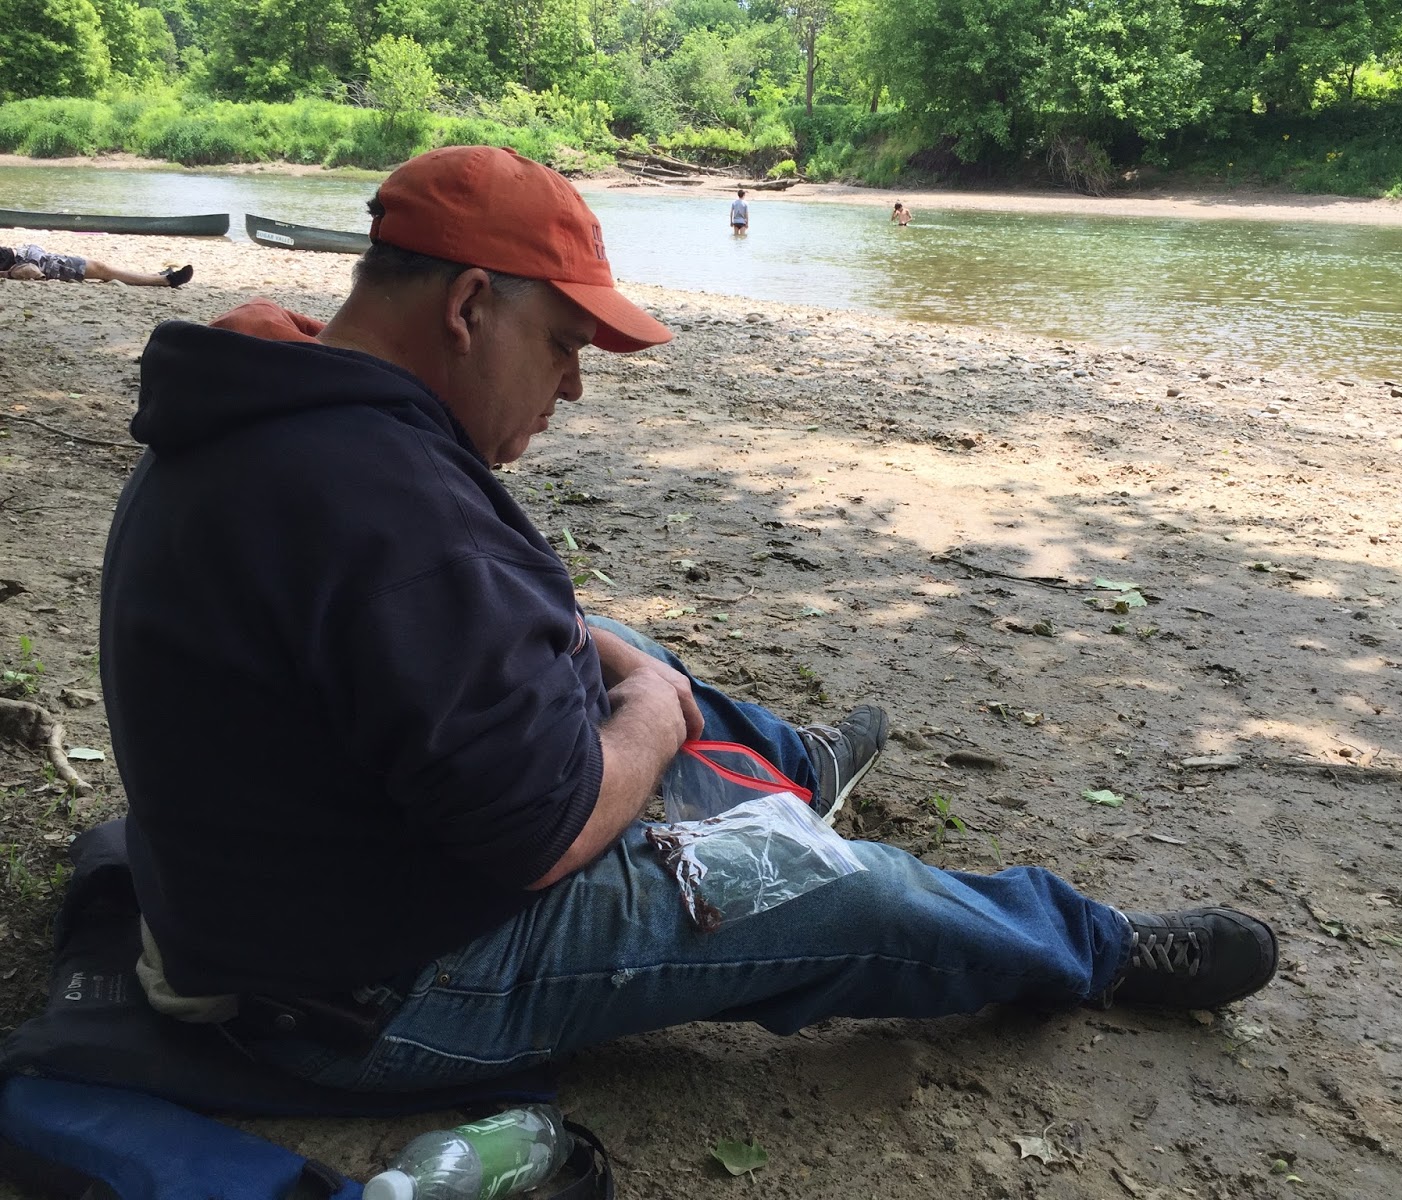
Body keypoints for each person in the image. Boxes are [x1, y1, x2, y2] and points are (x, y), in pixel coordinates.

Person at [100, 145, 1277, 1095]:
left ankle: (786, 766)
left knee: (619, 647)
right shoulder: (382, 503)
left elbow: (477, 619)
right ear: (468, 305)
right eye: (562, 345)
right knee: (830, 888)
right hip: (368, 998)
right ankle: (1097, 948)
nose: (573, 387)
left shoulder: (289, 410)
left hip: (281, 896)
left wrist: (616, 665)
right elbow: (534, 836)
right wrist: (652, 720)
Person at [1, 243, 192, 287]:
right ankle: (164, 280)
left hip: (29, 255)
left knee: (104, 268)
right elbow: (33, 272)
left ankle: (156, 276)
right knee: (103, 270)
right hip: (35, 262)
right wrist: (9, 275)